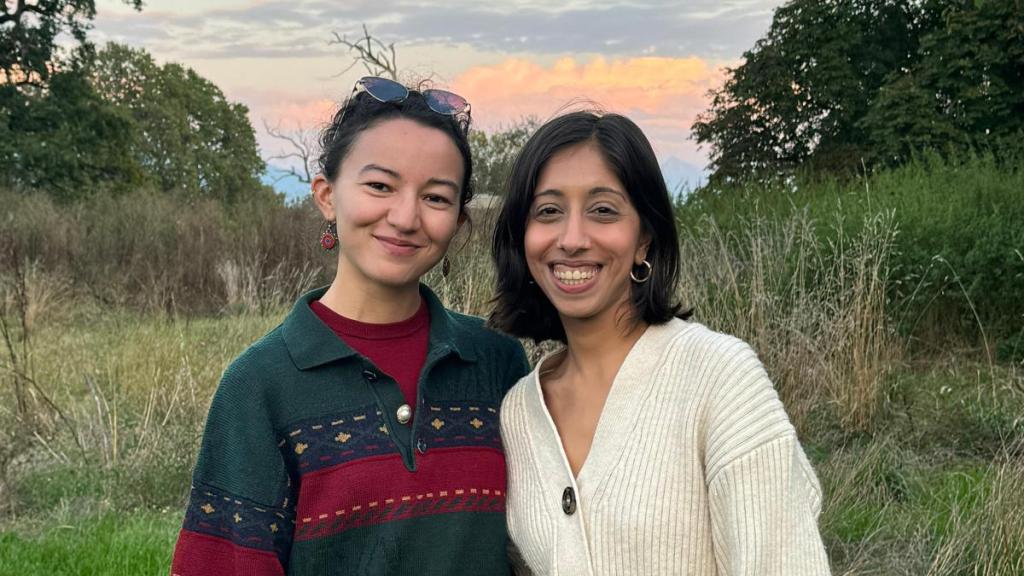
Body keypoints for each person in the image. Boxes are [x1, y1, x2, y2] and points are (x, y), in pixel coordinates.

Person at [171, 77, 530, 576]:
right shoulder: (258, 386)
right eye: (380, 186)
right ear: (326, 195)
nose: (405, 217)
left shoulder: (497, 361)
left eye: (436, 198)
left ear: (459, 221)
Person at [490, 111, 830, 575]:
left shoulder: (719, 377)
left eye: (603, 210)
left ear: (644, 239)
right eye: (548, 211)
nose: (571, 239)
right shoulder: (517, 412)